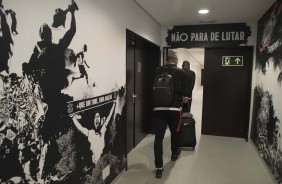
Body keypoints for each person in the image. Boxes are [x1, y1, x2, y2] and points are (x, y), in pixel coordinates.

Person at [153, 56, 189, 178]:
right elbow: (185, 93)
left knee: (159, 137)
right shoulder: (181, 72)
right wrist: (184, 98)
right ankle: (174, 154)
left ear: (166, 61)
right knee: (175, 132)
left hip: (158, 108)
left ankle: (158, 167)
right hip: (174, 109)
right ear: (176, 62)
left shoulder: (158, 70)